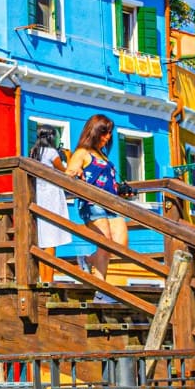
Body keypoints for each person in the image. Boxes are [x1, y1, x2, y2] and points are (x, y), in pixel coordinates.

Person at [65, 114, 130, 284]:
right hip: (92, 203)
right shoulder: (82, 152)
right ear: (94, 132)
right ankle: (101, 287)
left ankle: (88, 260)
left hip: (112, 203)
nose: (107, 137)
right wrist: (75, 173)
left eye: (109, 133)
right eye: (104, 132)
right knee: (105, 242)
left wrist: (121, 190)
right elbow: (69, 174)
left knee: (121, 246)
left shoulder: (103, 155)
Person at [30, 125, 72, 283]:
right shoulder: (52, 153)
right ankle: (49, 279)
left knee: (42, 240)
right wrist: (68, 157)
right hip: (52, 196)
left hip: (39, 195)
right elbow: (65, 172)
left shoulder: (33, 153)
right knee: (52, 240)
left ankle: (43, 279)